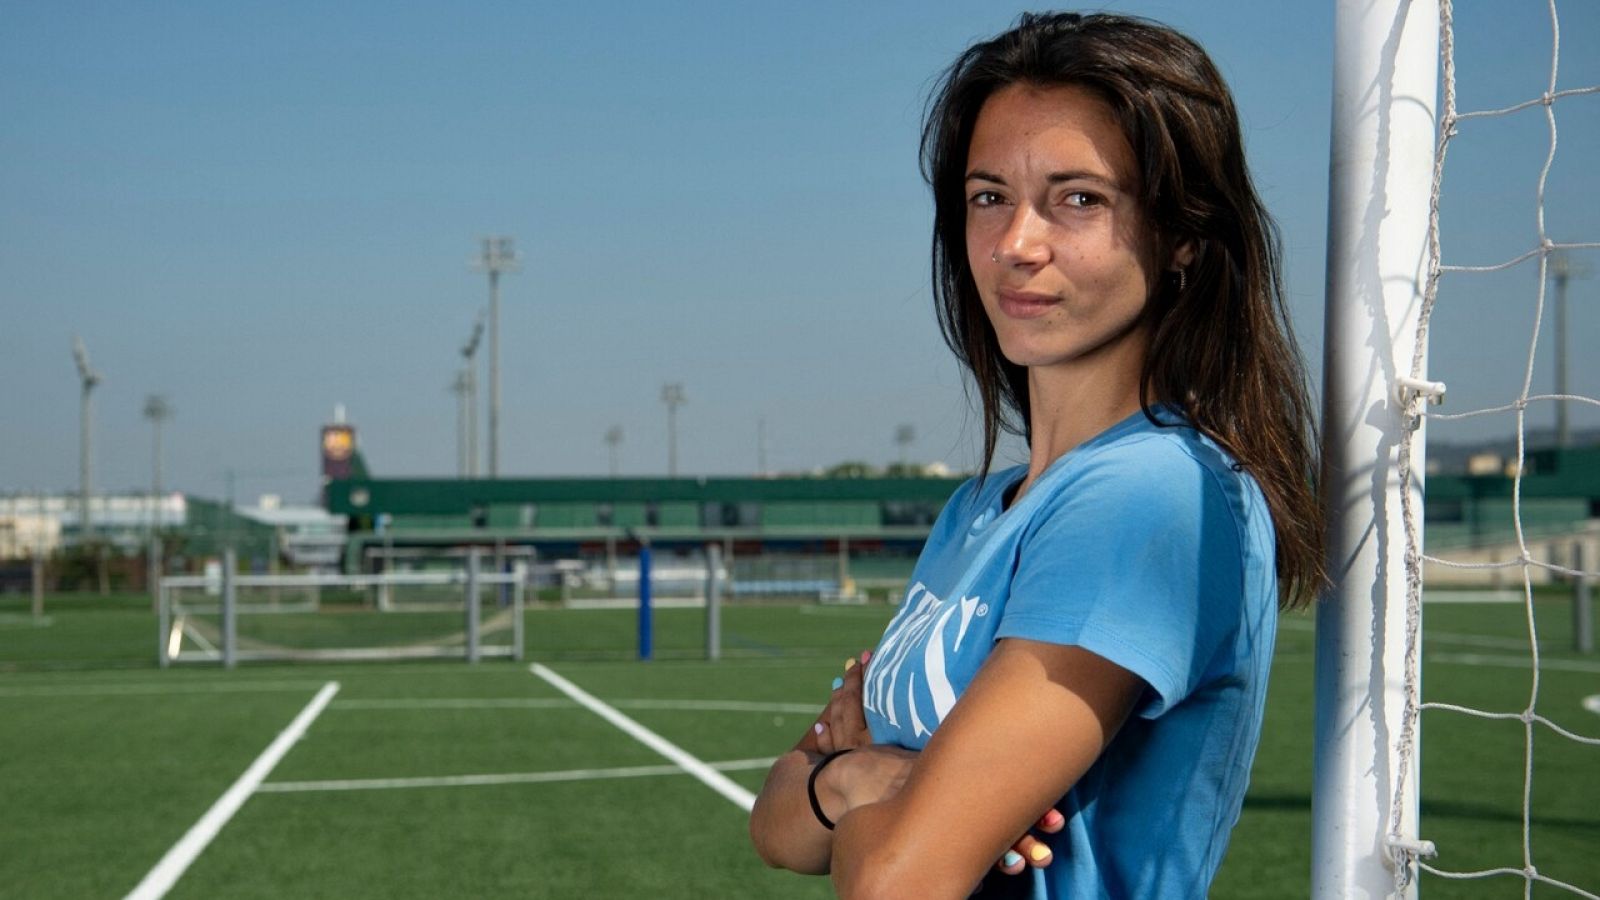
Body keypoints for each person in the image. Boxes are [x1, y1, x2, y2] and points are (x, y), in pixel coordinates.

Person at [748, 11, 1325, 899]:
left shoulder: (1152, 493)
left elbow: (894, 883)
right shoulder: (978, 508)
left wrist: (867, 790)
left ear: (1181, 238)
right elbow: (778, 827)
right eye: (989, 197)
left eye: (1079, 198)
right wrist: (859, 780)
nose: (1018, 244)